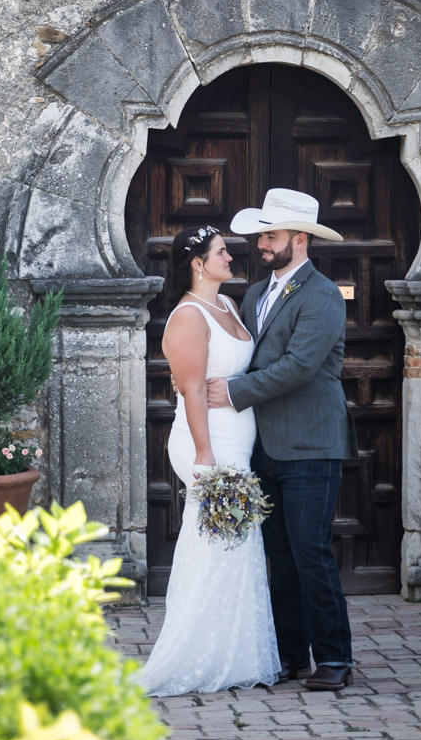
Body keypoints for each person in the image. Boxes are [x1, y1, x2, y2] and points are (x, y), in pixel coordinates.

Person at [206, 187, 356, 693]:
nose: (260, 244)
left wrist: (231, 392)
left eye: (269, 235)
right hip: (264, 446)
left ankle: (335, 659)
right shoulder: (254, 294)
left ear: (300, 238)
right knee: (281, 555)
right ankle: (291, 656)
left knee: (311, 550)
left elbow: (298, 367)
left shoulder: (323, 295)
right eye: (260, 235)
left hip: (313, 443)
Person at [136, 225, 279, 696]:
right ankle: (194, 653)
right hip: (207, 443)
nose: (231, 259)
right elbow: (192, 388)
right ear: (198, 263)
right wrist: (205, 456)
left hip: (237, 440)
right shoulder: (188, 316)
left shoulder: (229, 306)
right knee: (214, 545)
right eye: (222, 253)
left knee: (236, 548)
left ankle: (236, 652)